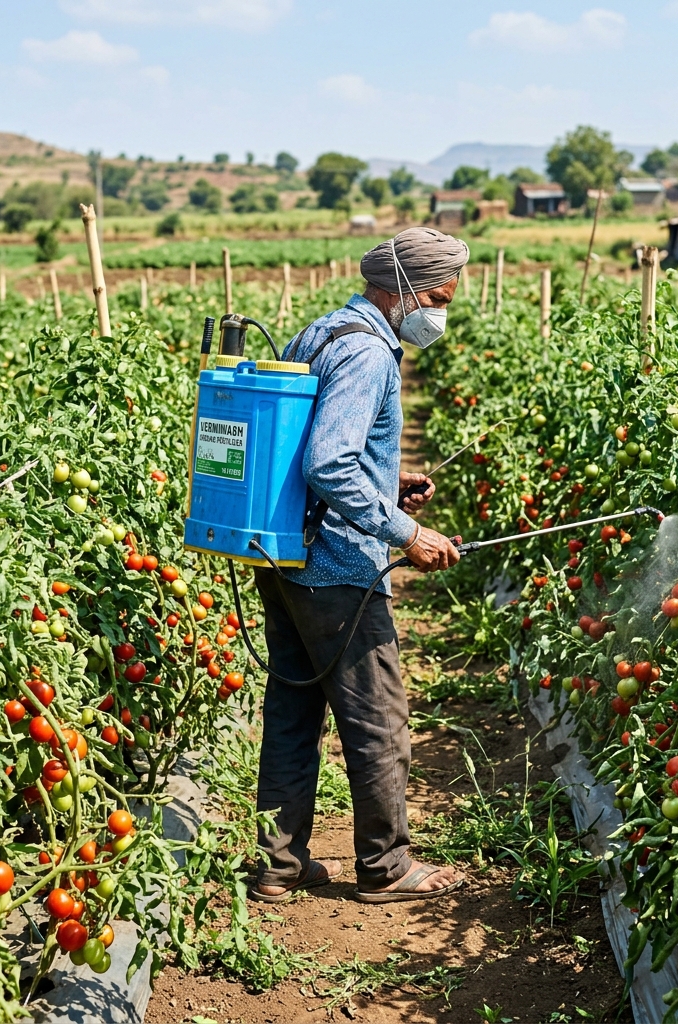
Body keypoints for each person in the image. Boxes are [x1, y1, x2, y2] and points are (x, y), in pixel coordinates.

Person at [251, 227, 469, 905]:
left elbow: (307, 446)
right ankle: (385, 867)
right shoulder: (370, 355)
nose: (440, 313)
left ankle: (278, 866)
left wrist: (388, 479)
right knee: (378, 721)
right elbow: (326, 461)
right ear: (402, 290)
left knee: (291, 713)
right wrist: (405, 532)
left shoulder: (320, 332)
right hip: (337, 569)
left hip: (284, 555)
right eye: (436, 298)